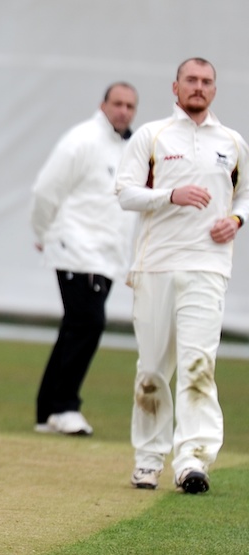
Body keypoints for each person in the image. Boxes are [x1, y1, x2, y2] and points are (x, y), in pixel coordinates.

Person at [117, 58, 249, 494]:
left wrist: (236, 219)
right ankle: (149, 460)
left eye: (206, 81)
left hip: (208, 265)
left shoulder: (231, 142)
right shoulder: (152, 135)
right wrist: (171, 195)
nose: (198, 87)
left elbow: (246, 194)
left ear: (214, 90)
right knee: (153, 367)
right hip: (156, 264)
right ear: (175, 88)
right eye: (190, 80)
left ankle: (192, 460)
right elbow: (125, 193)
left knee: (198, 364)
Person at [29, 82, 139, 436]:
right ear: (103, 104)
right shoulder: (82, 140)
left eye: (130, 106)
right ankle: (64, 407)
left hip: (105, 255)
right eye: (117, 103)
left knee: (75, 326)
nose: (123, 111)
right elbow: (46, 190)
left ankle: (47, 410)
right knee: (88, 325)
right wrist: (43, 232)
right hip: (76, 248)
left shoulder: (129, 148)